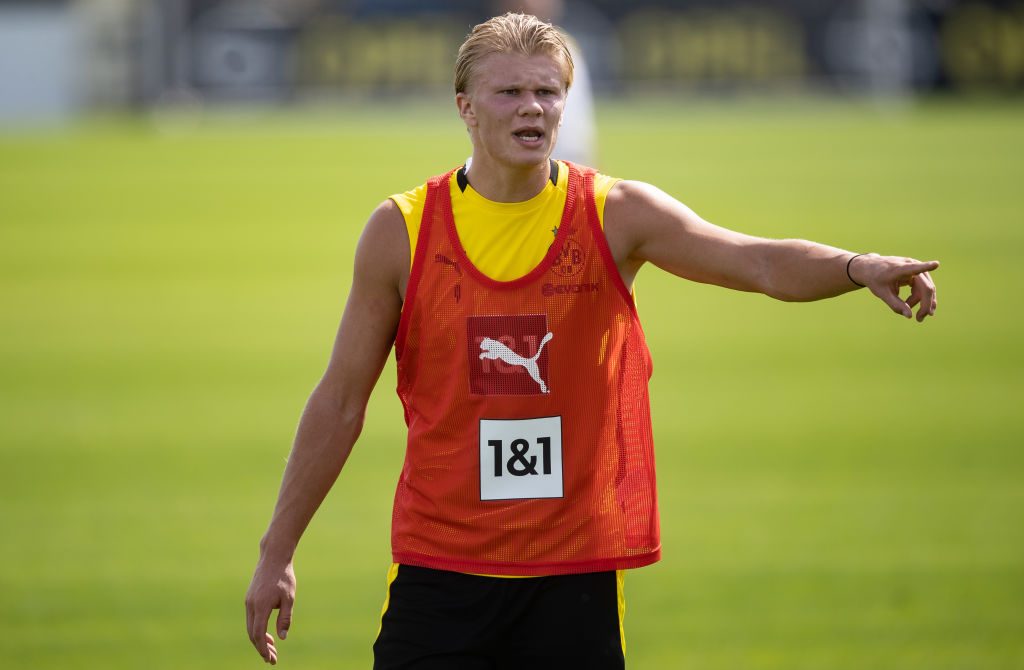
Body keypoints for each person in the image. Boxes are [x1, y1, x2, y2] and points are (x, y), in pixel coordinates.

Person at [244, 12, 939, 669]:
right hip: (441, 571)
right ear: (465, 106)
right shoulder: (402, 231)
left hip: (572, 576)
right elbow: (340, 401)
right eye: (510, 91)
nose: (533, 108)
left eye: (548, 91)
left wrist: (856, 266)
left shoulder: (615, 214)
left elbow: (754, 260)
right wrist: (278, 552)